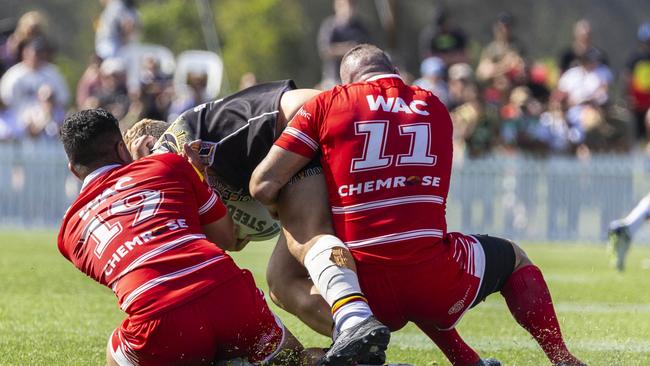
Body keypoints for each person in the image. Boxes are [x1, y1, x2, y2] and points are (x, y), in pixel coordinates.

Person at [250, 44, 586, 366]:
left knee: (282, 282)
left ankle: (352, 332)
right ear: (395, 72)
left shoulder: (328, 103)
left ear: (345, 83)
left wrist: (295, 211)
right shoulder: (435, 106)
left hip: (361, 288)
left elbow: (263, 184)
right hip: (434, 282)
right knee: (508, 258)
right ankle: (561, 358)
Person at [138, 80, 390, 365]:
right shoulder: (188, 176)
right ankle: (357, 345)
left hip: (316, 124)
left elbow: (313, 103)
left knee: (304, 234)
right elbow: (230, 240)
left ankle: (354, 318)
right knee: (281, 283)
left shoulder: (171, 154)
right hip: (308, 139)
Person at [57, 109, 322, 366]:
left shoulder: (69, 232)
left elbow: (136, 269)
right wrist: (197, 178)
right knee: (294, 360)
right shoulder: (167, 165)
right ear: (120, 148)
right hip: (228, 294)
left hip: (160, 321)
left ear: (73, 169)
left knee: (116, 349)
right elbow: (225, 237)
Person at [318, 0, 370, 85]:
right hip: (334, 78)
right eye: (344, 5)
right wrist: (347, 49)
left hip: (356, 78)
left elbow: (368, 49)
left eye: (351, 5)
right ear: (336, 6)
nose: (348, 8)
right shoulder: (330, 26)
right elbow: (325, 50)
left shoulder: (361, 27)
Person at [608, 193, 650, 271]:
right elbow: (647, 216)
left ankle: (617, 264)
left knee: (619, 250)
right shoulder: (647, 206)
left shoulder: (644, 202)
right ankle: (618, 266)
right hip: (624, 229)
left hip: (618, 226)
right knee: (623, 249)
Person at [625, 21, 650, 141]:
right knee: (638, 134)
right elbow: (627, 78)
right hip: (638, 104)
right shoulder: (635, 59)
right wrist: (628, 97)